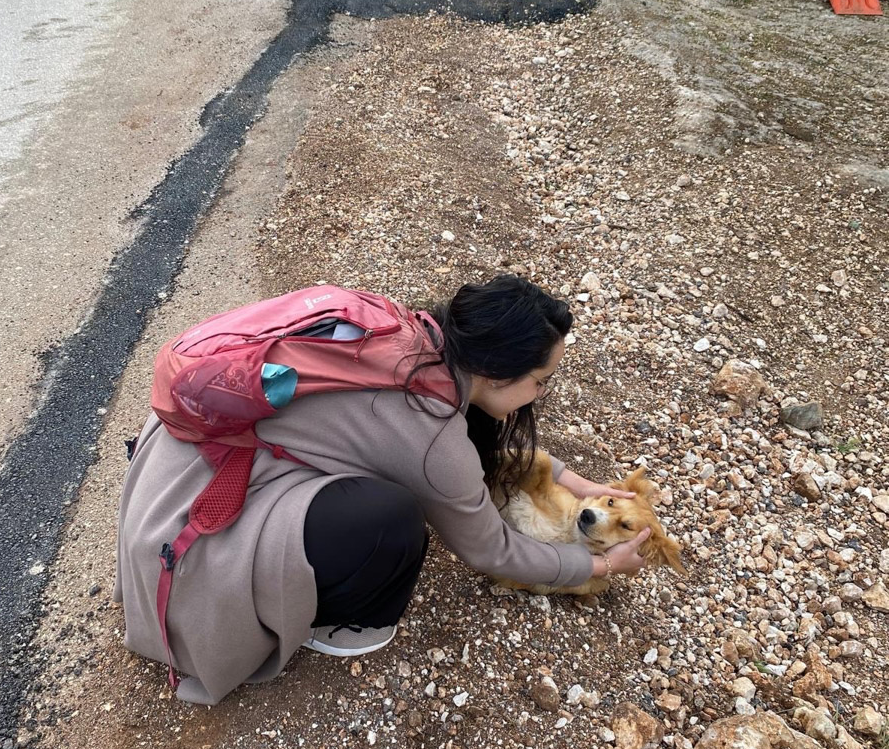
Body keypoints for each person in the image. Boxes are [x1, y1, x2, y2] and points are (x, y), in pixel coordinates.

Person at [114, 275, 649, 705]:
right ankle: (332, 623)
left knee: (390, 496)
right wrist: (600, 567)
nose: (539, 394)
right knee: (392, 521)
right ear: (494, 370)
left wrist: (571, 480)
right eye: (540, 380)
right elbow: (491, 550)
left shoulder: (407, 336)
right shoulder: (431, 433)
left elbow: (445, 458)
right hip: (196, 535)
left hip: (174, 469)